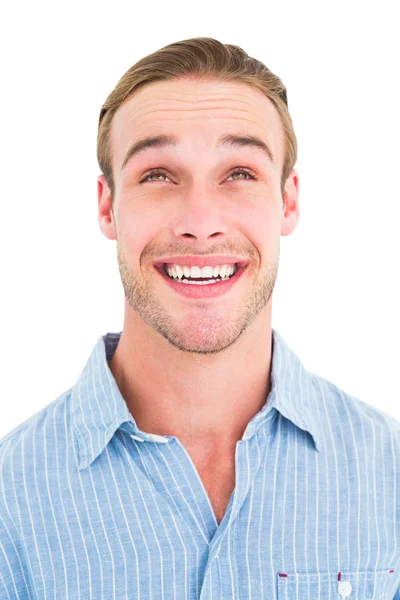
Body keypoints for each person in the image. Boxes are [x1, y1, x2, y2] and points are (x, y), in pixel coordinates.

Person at [0, 37, 399, 600]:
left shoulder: (391, 475)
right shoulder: (9, 500)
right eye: (159, 175)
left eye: (239, 172)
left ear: (287, 202)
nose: (200, 221)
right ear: (107, 206)